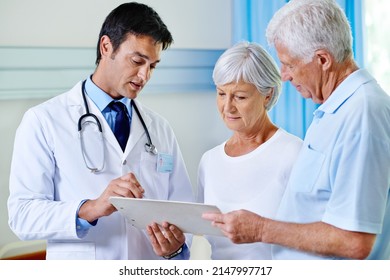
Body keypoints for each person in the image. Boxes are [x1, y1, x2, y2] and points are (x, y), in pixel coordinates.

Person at [203, 0, 390, 260]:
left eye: (289, 64)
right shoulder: (331, 112)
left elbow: (355, 241)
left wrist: (260, 229)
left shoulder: (362, 114)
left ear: (323, 59)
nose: (284, 76)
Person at [7, 2, 193, 260]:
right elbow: (22, 215)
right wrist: (91, 208)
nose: (144, 76)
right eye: (137, 60)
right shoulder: (44, 120)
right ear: (106, 47)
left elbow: (183, 210)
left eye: (152, 66)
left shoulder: (159, 128)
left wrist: (176, 249)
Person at [197, 41, 303, 259]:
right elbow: (202, 236)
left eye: (240, 96)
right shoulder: (209, 161)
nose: (228, 107)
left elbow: (315, 237)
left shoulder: (293, 153)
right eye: (221, 94)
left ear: (267, 95)